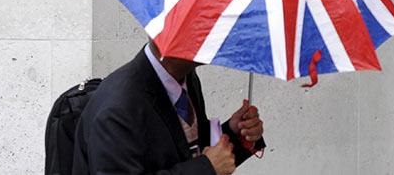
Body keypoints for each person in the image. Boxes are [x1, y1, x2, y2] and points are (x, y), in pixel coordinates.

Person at [72, 40, 266, 175]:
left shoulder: (186, 78)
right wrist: (206, 168)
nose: (213, 36)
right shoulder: (117, 110)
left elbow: (184, 149)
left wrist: (235, 133)